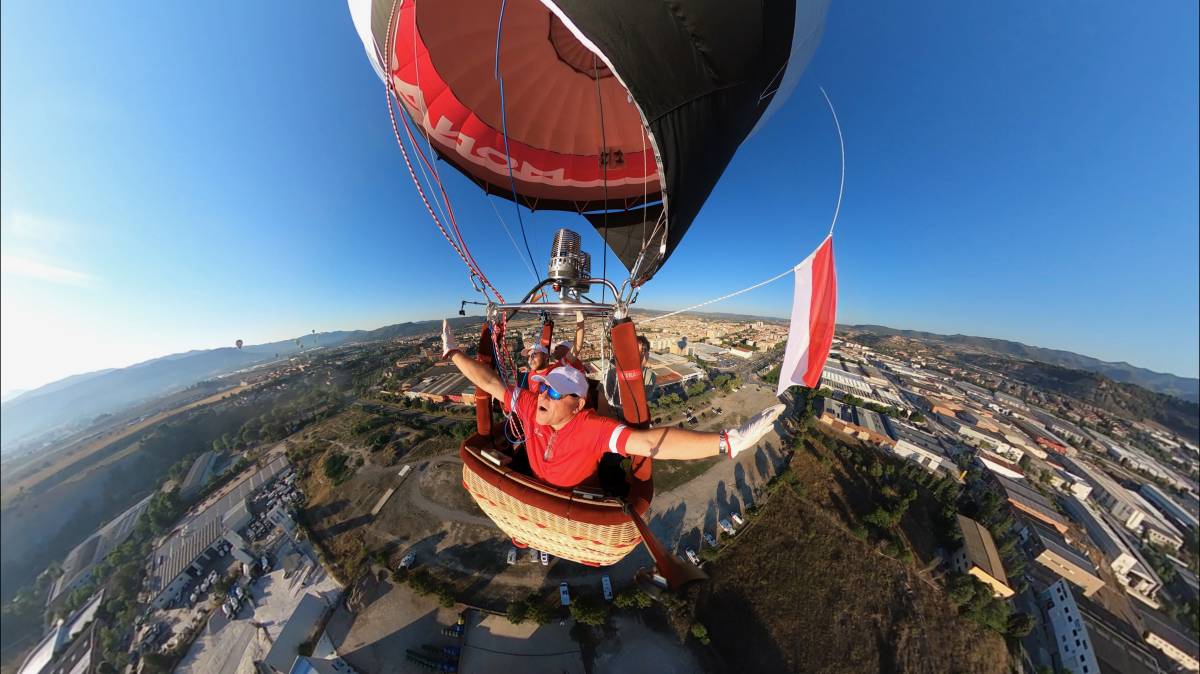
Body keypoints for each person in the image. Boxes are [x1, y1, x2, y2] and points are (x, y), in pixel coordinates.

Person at [442, 320, 783, 489]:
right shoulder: (532, 404)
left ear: (578, 406)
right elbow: (489, 382)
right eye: (546, 388)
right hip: (534, 478)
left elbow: (651, 443)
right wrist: (453, 352)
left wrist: (728, 442)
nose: (545, 394)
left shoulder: (592, 428)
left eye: (556, 393)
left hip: (574, 493)